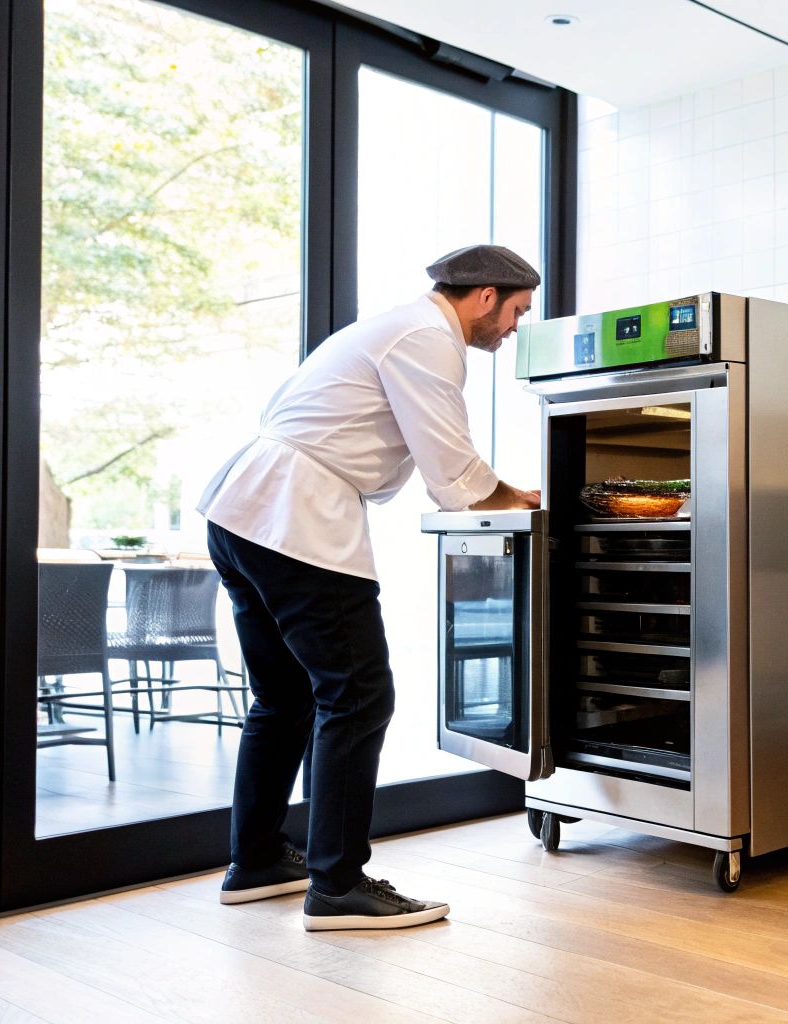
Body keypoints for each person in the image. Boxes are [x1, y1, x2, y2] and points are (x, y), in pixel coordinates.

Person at [196, 244, 542, 931]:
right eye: (516, 312)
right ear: (484, 296)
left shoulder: (394, 328)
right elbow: (453, 468)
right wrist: (521, 501)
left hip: (243, 511)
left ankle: (258, 860)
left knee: (285, 696)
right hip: (295, 519)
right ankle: (337, 885)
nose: (513, 328)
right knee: (358, 695)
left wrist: (496, 493)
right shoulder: (429, 340)